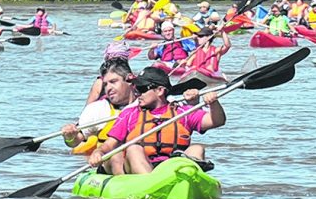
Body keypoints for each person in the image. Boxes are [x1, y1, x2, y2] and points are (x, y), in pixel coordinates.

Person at [89, 67, 222, 175]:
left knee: (197, 149)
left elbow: (216, 121)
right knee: (133, 149)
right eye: (136, 89)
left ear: (159, 91)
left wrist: (213, 103)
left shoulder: (182, 112)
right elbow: (109, 145)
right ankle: (151, 184)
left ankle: (190, 179)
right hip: (140, 167)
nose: (137, 94)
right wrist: (98, 152)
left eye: (142, 89)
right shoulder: (130, 114)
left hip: (170, 167)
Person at [64, 59, 138, 166]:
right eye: (105, 84)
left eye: (113, 82)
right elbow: (74, 142)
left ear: (129, 79)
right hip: (111, 164)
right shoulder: (98, 109)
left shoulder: (146, 103)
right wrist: (69, 137)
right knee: (116, 156)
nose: (108, 88)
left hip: (142, 160)